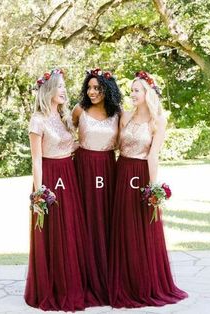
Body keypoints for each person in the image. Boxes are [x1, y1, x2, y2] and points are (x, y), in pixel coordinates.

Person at [109, 71, 188, 308]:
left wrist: (153, 188)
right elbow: (114, 147)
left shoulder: (158, 121)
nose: (132, 94)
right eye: (131, 90)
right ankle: (123, 281)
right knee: (122, 227)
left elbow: (153, 156)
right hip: (121, 171)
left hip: (141, 173)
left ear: (147, 93)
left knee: (142, 228)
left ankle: (145, 283)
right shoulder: (125, 116)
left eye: (137, 90)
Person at [24, 69, 87, 311]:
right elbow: (36, 160)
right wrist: (39, 194)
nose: (63, 90)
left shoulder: (62, 117)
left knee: (70, 229)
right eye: (59, 86)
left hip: (68, 175)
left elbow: (72, 146)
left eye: (64, 86)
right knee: (54, 232)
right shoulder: (37, 120)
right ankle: (54, 286)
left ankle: (72, 283)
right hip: (50, 177)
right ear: (48, 90)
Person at [72, 68, 122, 306]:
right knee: (84, 219)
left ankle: (107, 275)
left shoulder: (118, 113)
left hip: (107, 168)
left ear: (107, 89)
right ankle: (83, 276)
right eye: (89, 87)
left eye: (97, 88)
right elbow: (64, 134)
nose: (92, 92)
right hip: (82, 167)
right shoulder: (79, 110)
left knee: (106, 219)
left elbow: (130, 137)